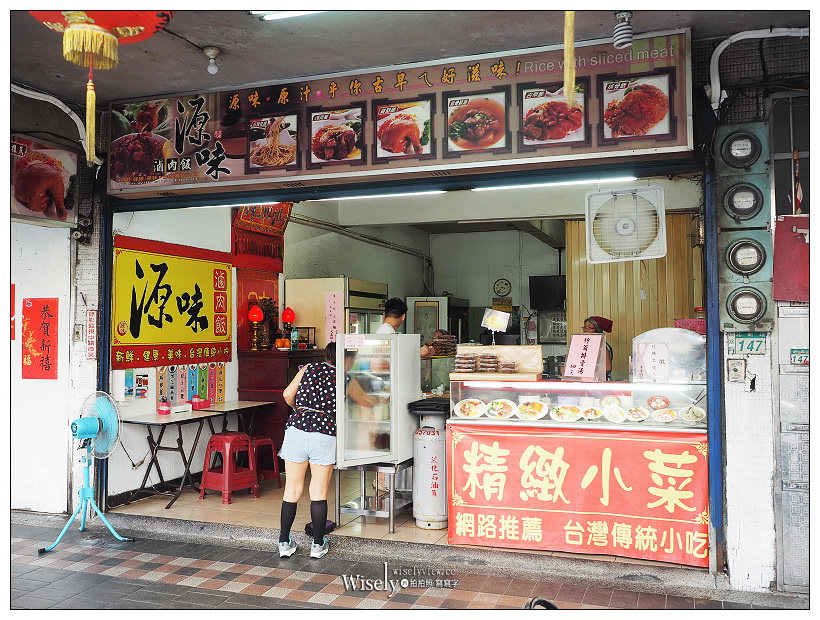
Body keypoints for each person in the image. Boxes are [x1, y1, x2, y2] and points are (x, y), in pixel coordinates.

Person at [278, 342, 343, 560]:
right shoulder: (344, 376)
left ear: (327, 355)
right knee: (318, 492)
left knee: (292, 491)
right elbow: (361, 403)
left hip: (296, 428)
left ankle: (284, 543)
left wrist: (301, 410)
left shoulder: (308, 368)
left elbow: (287, 394)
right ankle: (317, 544)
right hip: (323, 431)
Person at [583, 316, 613, 381]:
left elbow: (607, 368)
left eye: (590, 328)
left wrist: (588, 373)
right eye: (585, 327)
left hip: (600, 382)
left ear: (598, 330)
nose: (586, 330)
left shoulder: (602, 346)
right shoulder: (587, 345)